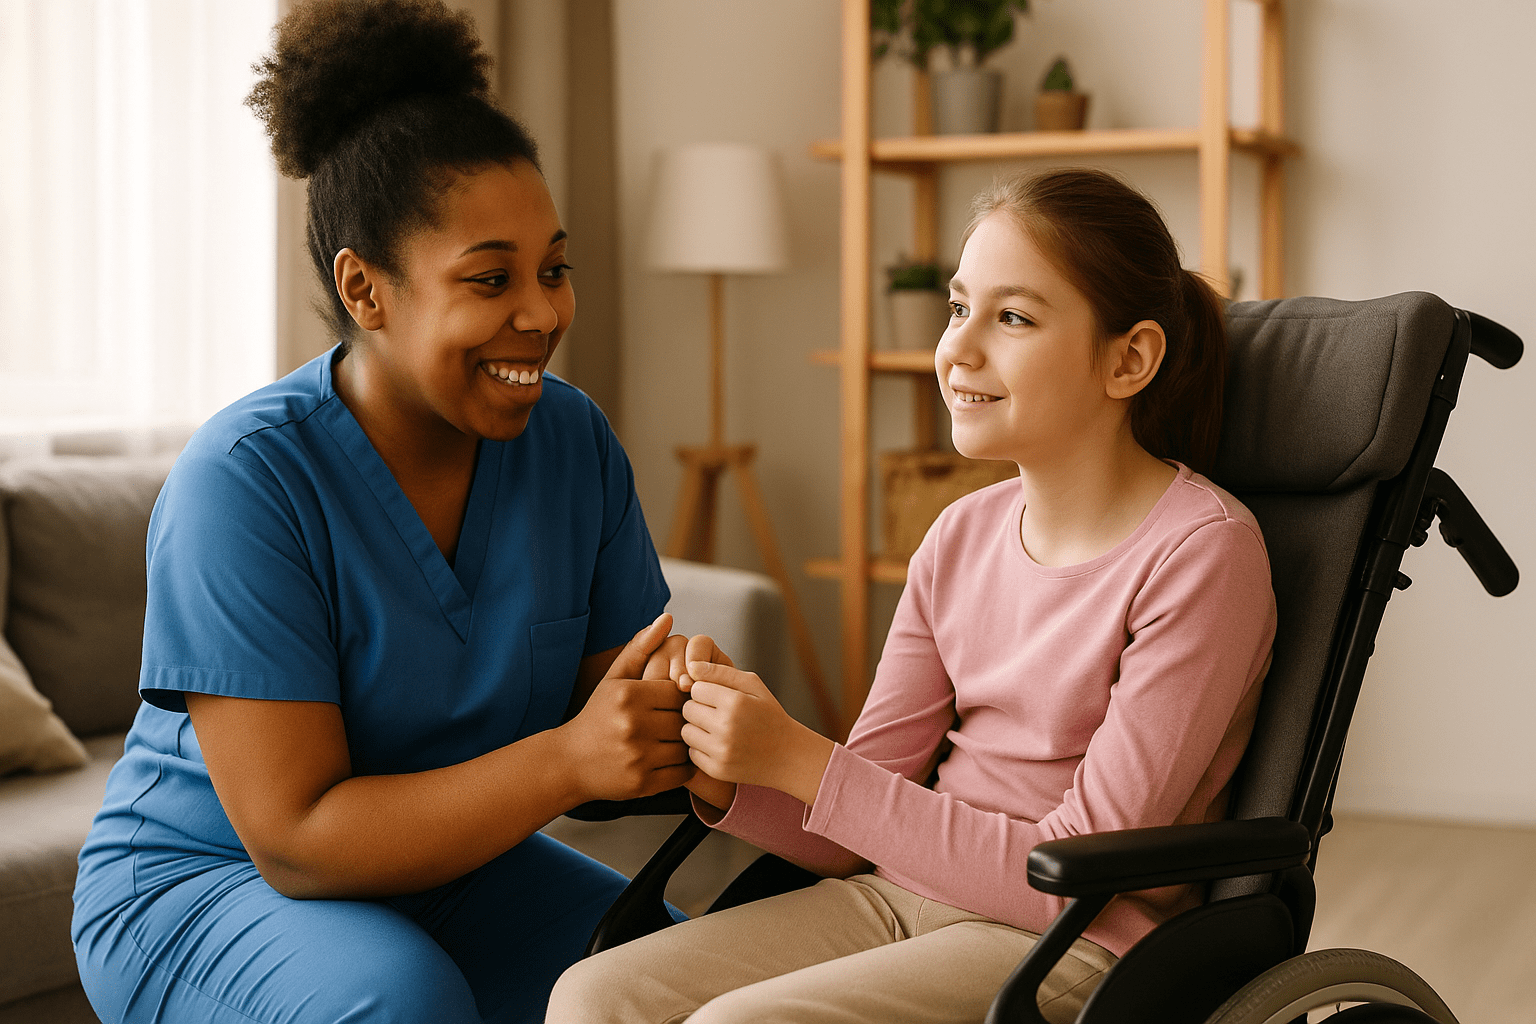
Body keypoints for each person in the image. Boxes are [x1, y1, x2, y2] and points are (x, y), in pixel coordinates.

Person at [70, 3, 694, 1022]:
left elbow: (608, 729)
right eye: (490, 279)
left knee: (675, 978)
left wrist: (690, 727)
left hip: (453, 867)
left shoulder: (571, 441)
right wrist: (568, 757)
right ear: (366, 290)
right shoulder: (245, 480)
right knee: (400, 1000)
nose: (542, 313)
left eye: (554, 269)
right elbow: (297, 839)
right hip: (208, 882)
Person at [547, 168, 1279, 1024]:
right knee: (596, 994)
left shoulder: (1202, 554)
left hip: (1073, 937)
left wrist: (801, 760)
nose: (958, 349)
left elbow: (1074, 873)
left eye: (1013, 317)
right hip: (896, 898)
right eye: (958, 308)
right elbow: (848, 830)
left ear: (1129, 359)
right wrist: (730, 763)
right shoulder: (957, 535)